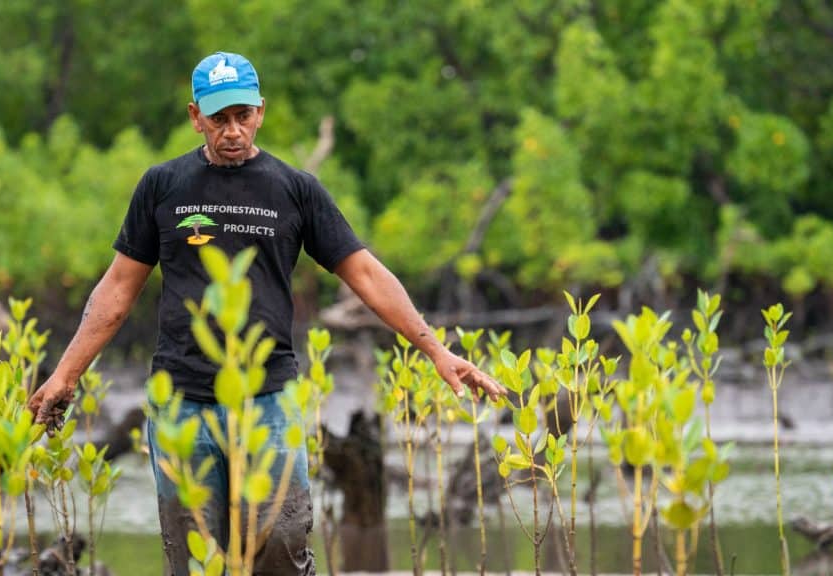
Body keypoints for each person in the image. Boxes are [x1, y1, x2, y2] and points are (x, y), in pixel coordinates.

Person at [27, 51, 505, 575]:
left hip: (269, 404)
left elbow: (365, 274)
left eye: (242, 116)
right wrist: (65, 377)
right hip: (181, 405)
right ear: (194, 116)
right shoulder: (162, 187)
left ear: (260, 111)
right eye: (218, 119)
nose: (232, 131)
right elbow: (117, 290)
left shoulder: (295, 190)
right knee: (194, 561)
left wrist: (435, 350)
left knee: (280, 552)